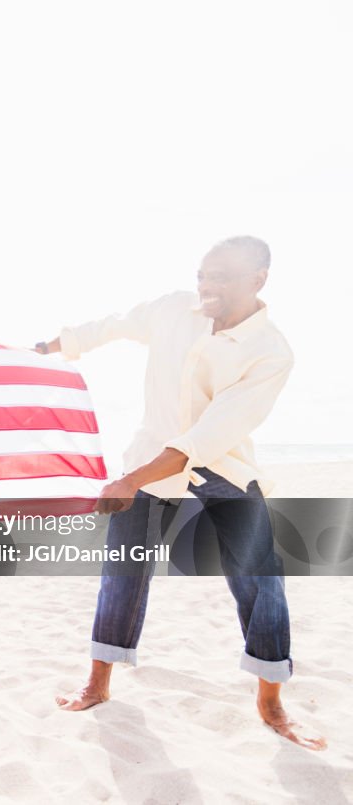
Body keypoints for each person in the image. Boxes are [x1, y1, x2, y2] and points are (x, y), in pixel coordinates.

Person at [35, 236, 326, 751]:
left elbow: (206, 437)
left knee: (260, 579)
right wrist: (56, 346)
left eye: (222, 278)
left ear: (258, 280)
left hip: (222, 467)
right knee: (124, 569)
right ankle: (98, 683)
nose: (207, 287)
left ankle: (271, 702)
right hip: (149, 458)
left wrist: (130, 481)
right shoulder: (174, 310)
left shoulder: (271, 352)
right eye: (202, 275)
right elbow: (117, 324)